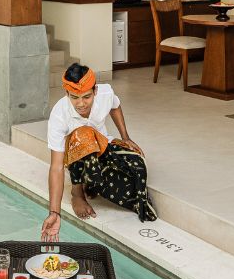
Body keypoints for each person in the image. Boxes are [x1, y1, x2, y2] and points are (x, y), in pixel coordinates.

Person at [40, 63, 157, 242]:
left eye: (86, 97)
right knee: (83, 134)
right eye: (74, 98)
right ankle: (77, 193)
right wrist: (54, 212)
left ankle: (92, 183)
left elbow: (115, 106)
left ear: (95, 91)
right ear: (67, 94)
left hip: (101, 146)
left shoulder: (105, 93)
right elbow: (56, 167)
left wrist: (125, 137)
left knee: (137, 166)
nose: (81, 104)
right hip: (77, 155)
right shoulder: (59, 114)